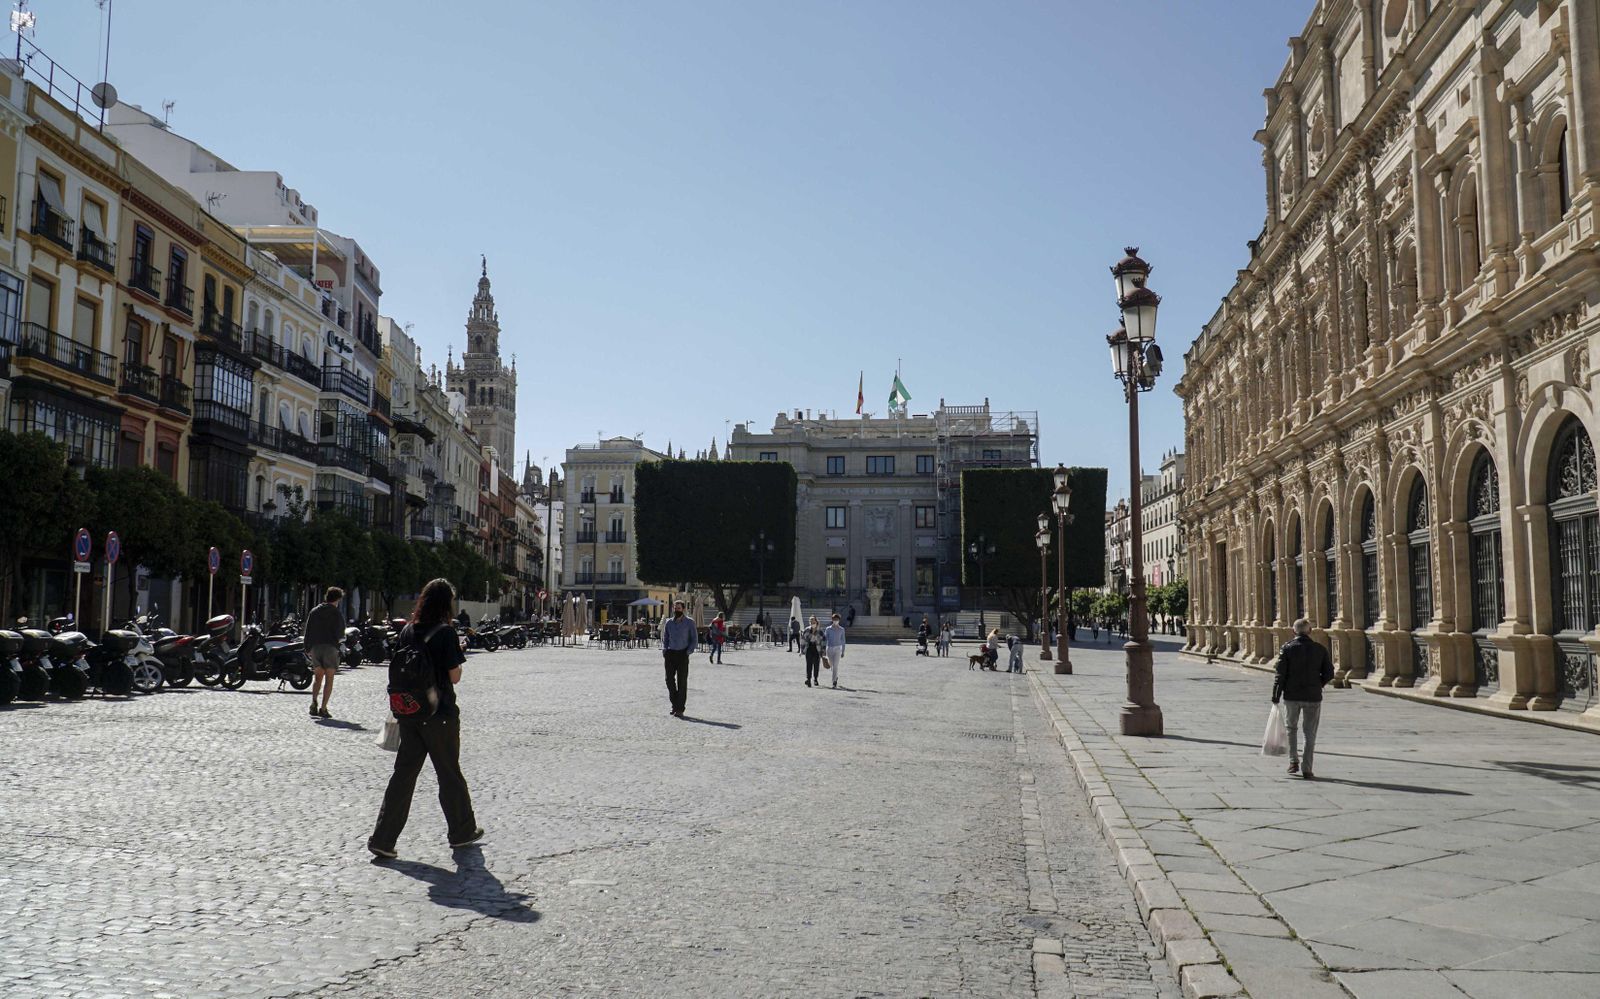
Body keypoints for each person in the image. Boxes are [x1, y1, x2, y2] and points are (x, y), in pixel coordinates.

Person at [368, 578, 481, 859]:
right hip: (439, 714)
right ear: (447, 604)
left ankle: (383, 838)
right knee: (449, 774)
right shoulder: (445, 633)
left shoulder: (407, 630)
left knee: (403, 776)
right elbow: (454, 676)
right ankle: (462, 832)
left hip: (409, 713)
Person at [1272, 618, 1335, 779]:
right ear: (1310, 631)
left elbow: (1280, 674)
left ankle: (1293, 760)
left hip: (1291, 695)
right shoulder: (1320, 649)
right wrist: (1318, 684)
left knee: (1291, 729)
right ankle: (1307, 768)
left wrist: (1276, 694)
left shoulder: (1287, 649)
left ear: (1294, 632)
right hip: (1313, 697)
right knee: (1310, 733)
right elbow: (1329, 673)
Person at [303, 586, 345, 719]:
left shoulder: (314, 611)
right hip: (330, 647)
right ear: (337, 599)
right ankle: (323, 708)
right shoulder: (336, 613)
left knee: (318, 677)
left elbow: (307, 630)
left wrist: (307, 647)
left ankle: (313, 702)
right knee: (329, 678)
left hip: (315, 647)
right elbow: (340, 632)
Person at [661, 600, 697, 717]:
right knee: (669, 680)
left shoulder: (690, 623)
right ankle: (674, 704)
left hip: (682, 654)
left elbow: (694, 639)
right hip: (670, 653)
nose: (677, 610)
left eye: (679, 608)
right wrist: (665, 649)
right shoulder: (668, 623)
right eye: (675, 608)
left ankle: (679, 708)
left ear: (683, 609)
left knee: (682, 682)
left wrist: (688, 651)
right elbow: (665, 637)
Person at [823, 612, 847, 689]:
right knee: (831, 665)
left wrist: (843, 651)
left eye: (837, 619)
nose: (835, 621)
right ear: (832, 620)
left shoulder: (841, 629)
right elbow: (825, 639)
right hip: (829, 648)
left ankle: (834, 681)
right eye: (834, 619)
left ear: (839, 620)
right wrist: (823, 649)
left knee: (835, 665)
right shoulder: (828, 629)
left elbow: (843, 640)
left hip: (837, 648)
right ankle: (835, 676)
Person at [802, 615, 824, 687]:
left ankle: (815, 679)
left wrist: (823, 651)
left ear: (816, 621)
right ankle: (808, 679)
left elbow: (823, 641)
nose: (812, 622)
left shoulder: (820, 631)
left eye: (813, 621)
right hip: (809, 648)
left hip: (817, 648)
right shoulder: (807, 629)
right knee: (809, 664)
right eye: (810, 621)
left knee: (816, 664)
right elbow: (803, 640)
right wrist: (802, 650)